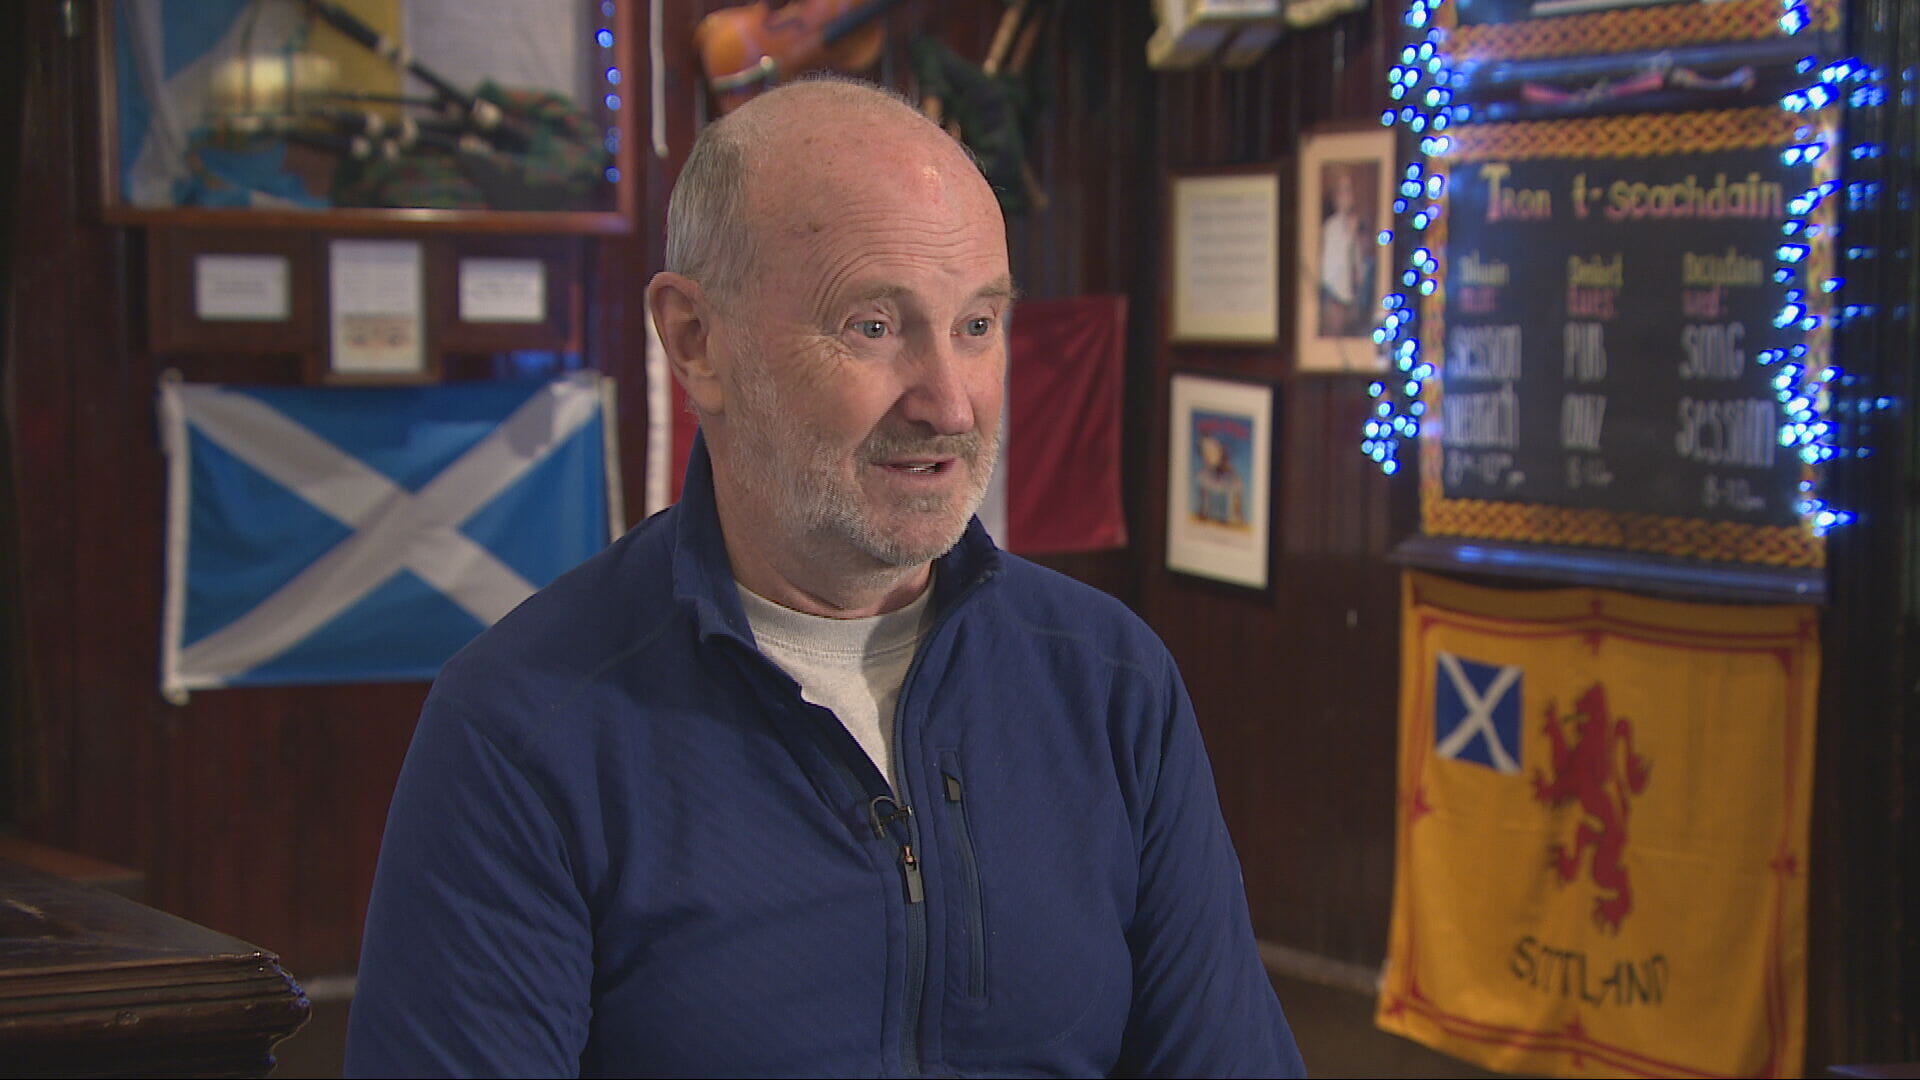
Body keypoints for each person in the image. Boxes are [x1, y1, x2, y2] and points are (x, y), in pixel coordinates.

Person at [344, 77, 1304, 1079]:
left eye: (977, 326)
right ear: (694, 340)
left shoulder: (1109, 682)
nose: (950, 405)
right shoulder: (524, 725)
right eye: (874, 327)